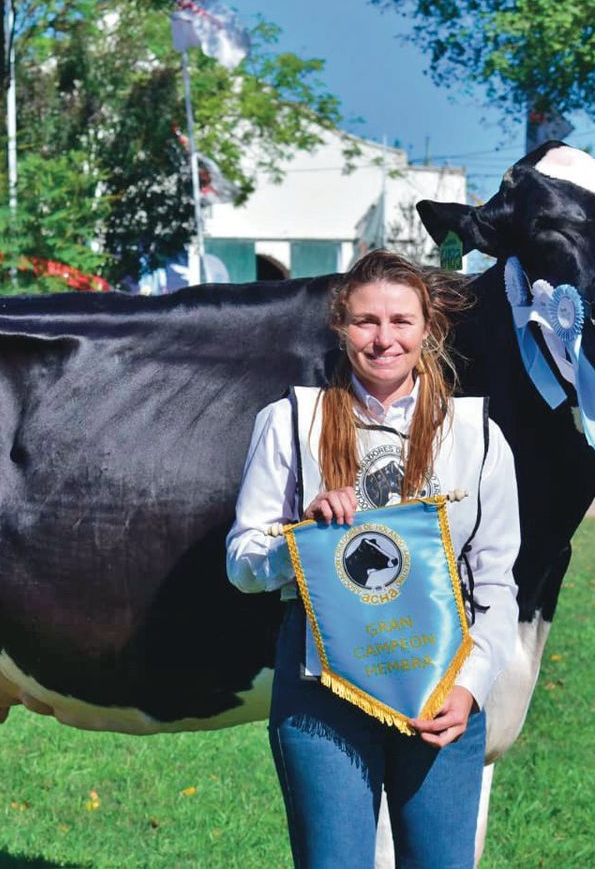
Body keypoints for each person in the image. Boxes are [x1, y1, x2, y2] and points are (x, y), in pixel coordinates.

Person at [226, 250, 520, 867]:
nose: (383, 338)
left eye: (400, 321)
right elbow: (242, 562)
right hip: (323, 692)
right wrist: (301, 541)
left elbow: (496, 582)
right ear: (341, 327)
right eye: (366, 321)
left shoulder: (480, 435)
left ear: (427, 328)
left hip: (439, 688)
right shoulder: (289, 423)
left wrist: (468, 688)